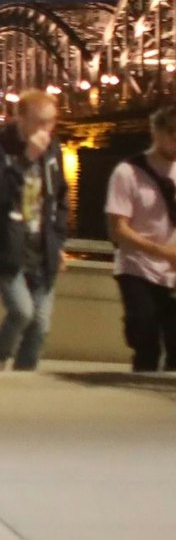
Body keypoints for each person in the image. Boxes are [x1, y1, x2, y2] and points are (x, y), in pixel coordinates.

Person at [0, 89, 67, 371]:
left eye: (50, 123)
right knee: (22, 311)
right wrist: (26, 158)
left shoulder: (53, 148)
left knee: (40, 325)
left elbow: (60, 197)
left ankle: (24, 380)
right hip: (5, 246)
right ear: (19, 118)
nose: (45, 130)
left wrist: (59, 241)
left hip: (42, 248)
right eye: (39, 122)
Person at [106, 105, 176, 372]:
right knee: (145, 336)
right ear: (155, 131)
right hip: (137, 267)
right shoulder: (128, 172)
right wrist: (164, 252)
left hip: (172, 271)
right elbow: (118, 229)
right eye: (172, 133)